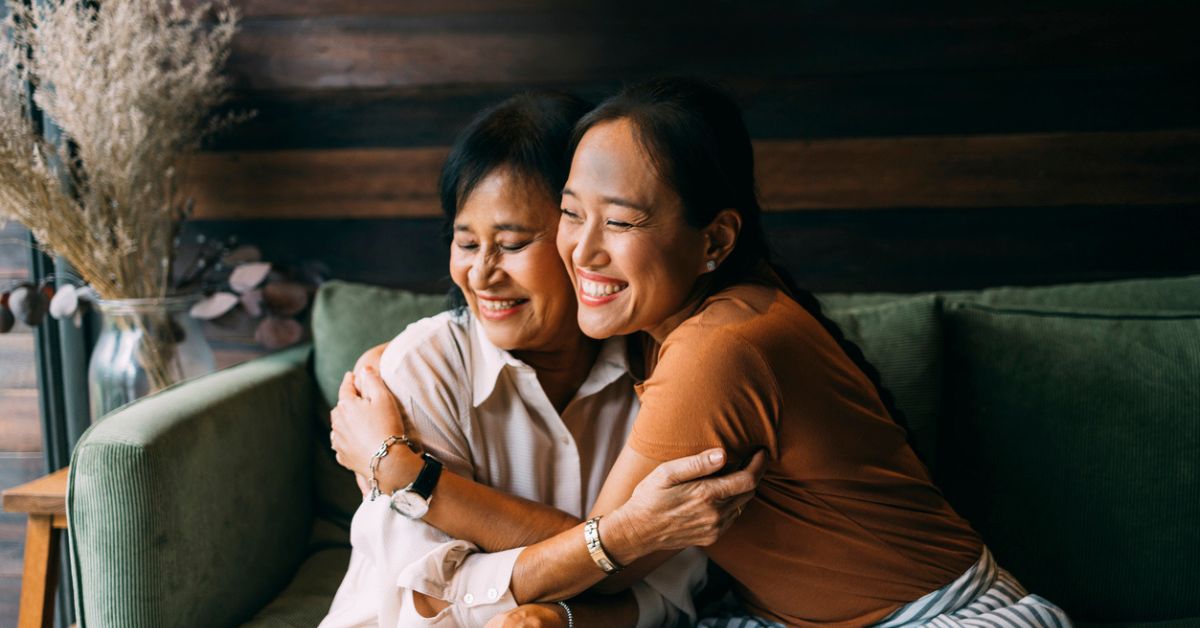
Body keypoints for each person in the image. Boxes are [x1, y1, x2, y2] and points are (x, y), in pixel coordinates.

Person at [338, 78, 1071, 627]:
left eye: (619, 222)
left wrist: (407, 471)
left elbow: (602, 565)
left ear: (716, 240)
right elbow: (611, 548)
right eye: (569, 214)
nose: (582, 252)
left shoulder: (713, 350)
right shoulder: (673, 330)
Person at [323, 91, 759, 627]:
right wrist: (629, 535)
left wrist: (558, 619)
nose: (482, 273)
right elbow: (437, 592)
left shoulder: (670, 370)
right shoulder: (416, 373)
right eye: (465, 243)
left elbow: (669, 589)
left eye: (512, 243)